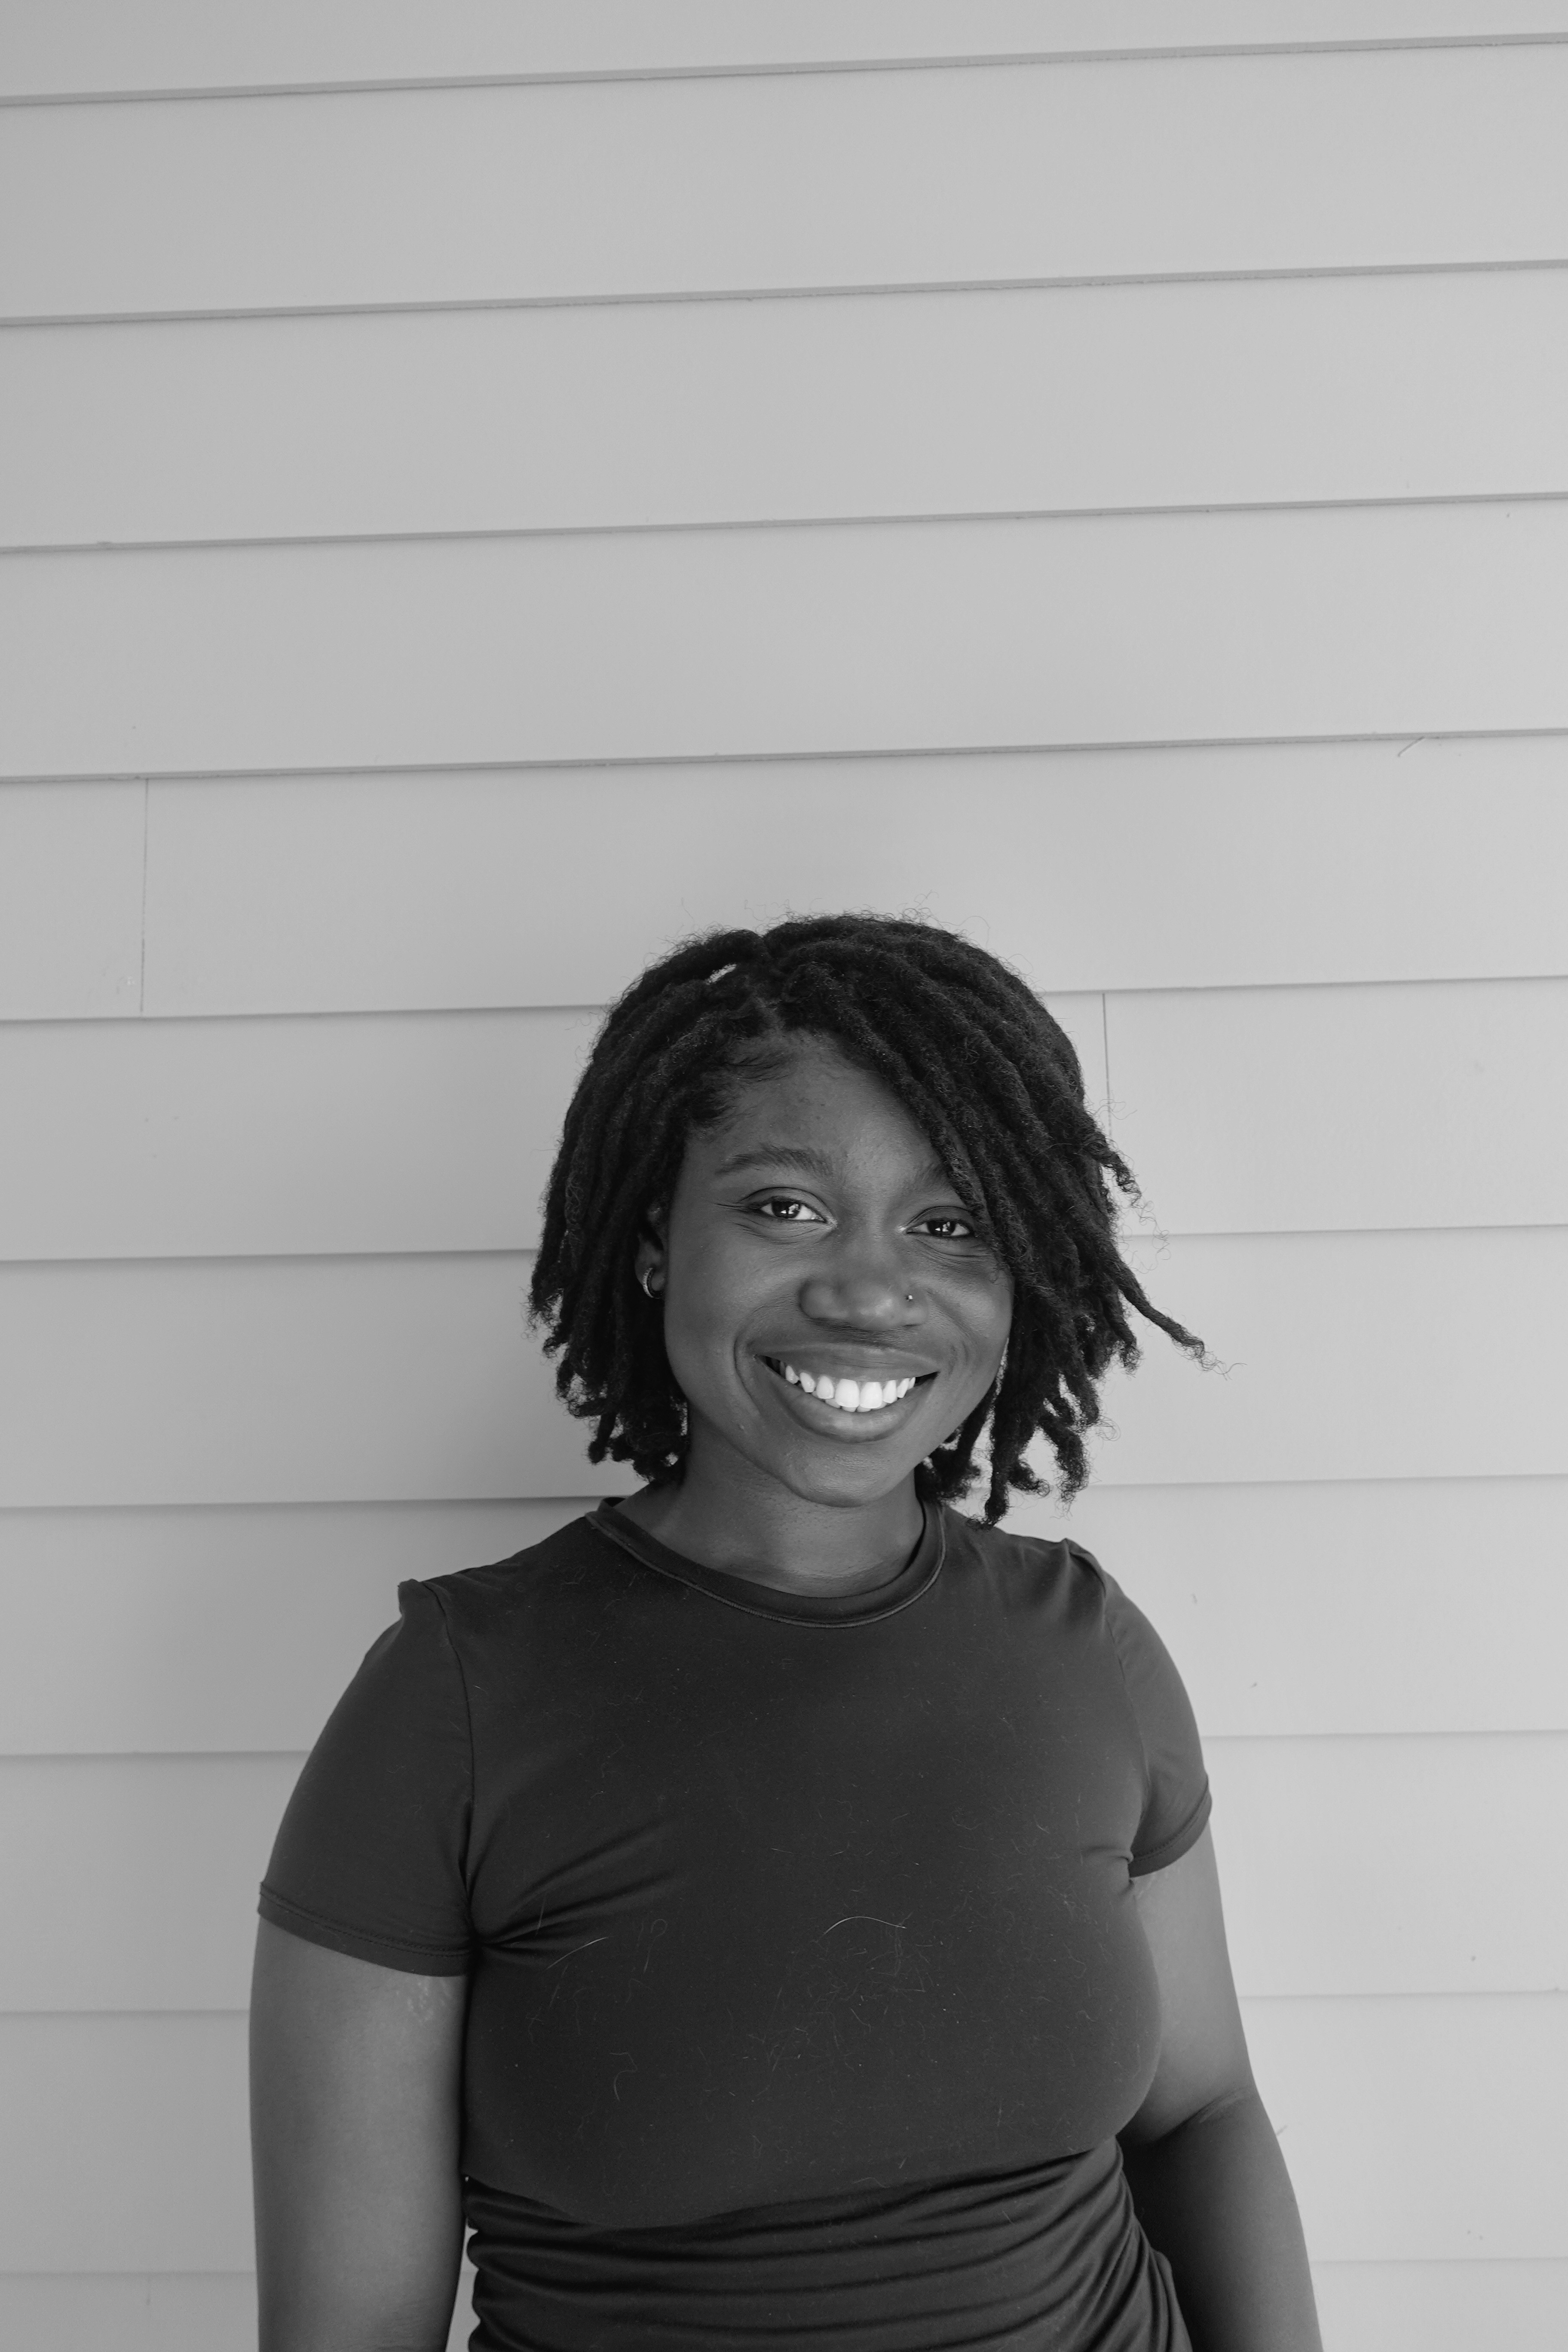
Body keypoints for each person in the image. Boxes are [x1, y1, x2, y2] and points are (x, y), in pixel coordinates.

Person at [250, 913, 1323, 2352]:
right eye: (785, 1208)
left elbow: (1201, 2110)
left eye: (949, 1226)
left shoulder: (1087, 1651)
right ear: (652, 1241)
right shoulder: (455, 1699)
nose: (870, 1291)